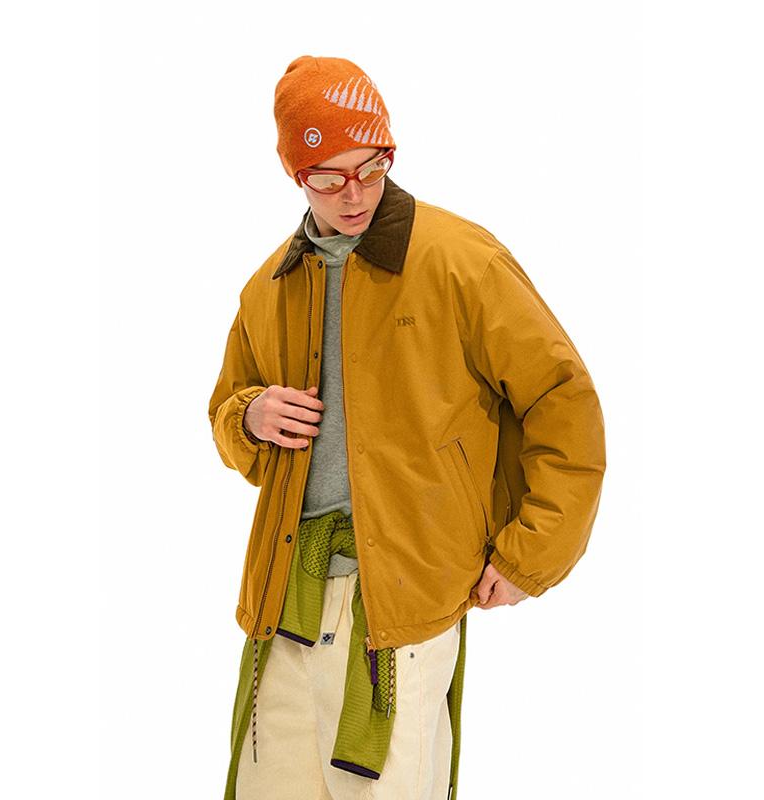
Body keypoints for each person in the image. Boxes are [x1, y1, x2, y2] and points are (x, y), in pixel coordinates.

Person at [208, 55, 606, 800]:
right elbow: (228, 415)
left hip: (405, 599)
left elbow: (562, 399)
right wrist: (251, 416)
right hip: (285, 598)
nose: (355, 193)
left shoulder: (460, 261)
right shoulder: (270, 287)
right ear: (295, 173)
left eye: (371, 166)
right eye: (329, 177)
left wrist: (532, 552)